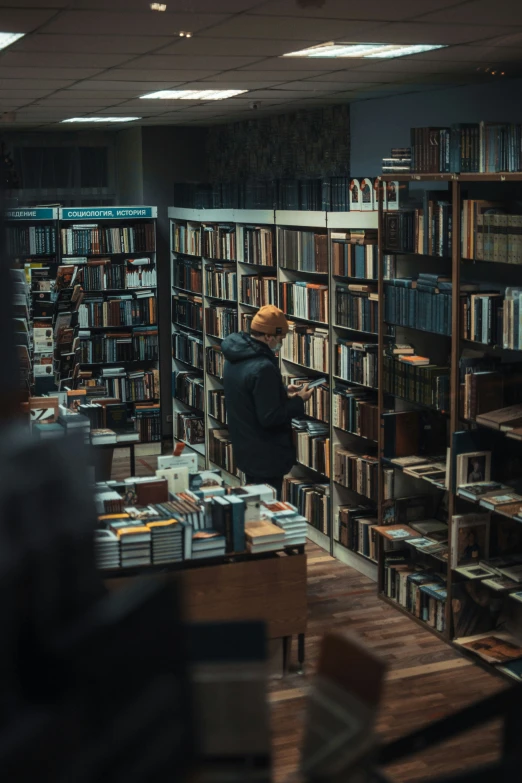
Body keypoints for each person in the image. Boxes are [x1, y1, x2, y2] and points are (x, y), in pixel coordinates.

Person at [221, 305, 313, 499]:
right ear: (269, 337)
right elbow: (270, 417)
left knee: (254, 502)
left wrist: (280, 391)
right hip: (265, 453)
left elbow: (248, 394)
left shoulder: (235, 356)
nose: (281, 343)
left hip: (246, 446)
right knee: (266, 507)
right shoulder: (263, 367)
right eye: (281, 339)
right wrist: (299, 401)